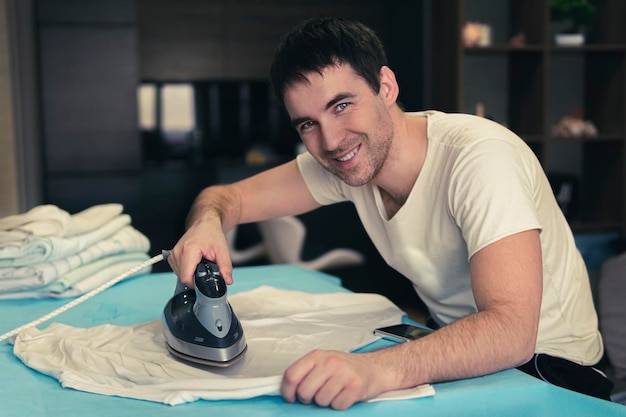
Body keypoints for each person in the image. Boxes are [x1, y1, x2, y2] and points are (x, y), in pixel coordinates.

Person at [167, 16, 613, 409]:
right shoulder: (346, 161)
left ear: (386, 86)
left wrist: (376, 372)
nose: (331, 140)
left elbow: (511, 330)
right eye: (308, 124)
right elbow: (228, 197)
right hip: (460, 350)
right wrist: (207, 223)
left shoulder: (479, 158)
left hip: (554, 372)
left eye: (342, 105)